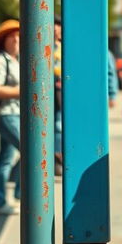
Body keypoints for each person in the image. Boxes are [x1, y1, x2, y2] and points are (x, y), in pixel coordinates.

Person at [0, 19, 21, 214]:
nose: (16, 39)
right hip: (7, 114)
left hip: (17, 113)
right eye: (12, 36)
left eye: (18, 35)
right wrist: (21, 91)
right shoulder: (1, 60)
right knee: (30, 150)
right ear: (4, 40)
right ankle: (18, 196)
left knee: (6, 159)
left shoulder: (17, 60)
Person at [53, 15, 63, 176]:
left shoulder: (65, 45)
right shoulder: (47, 46)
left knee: (60, 126)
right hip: (51, 92)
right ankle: (57, 158)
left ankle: (59, 158)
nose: (55, 29)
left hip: (63, 94)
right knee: (56, 126)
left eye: (57, 26)